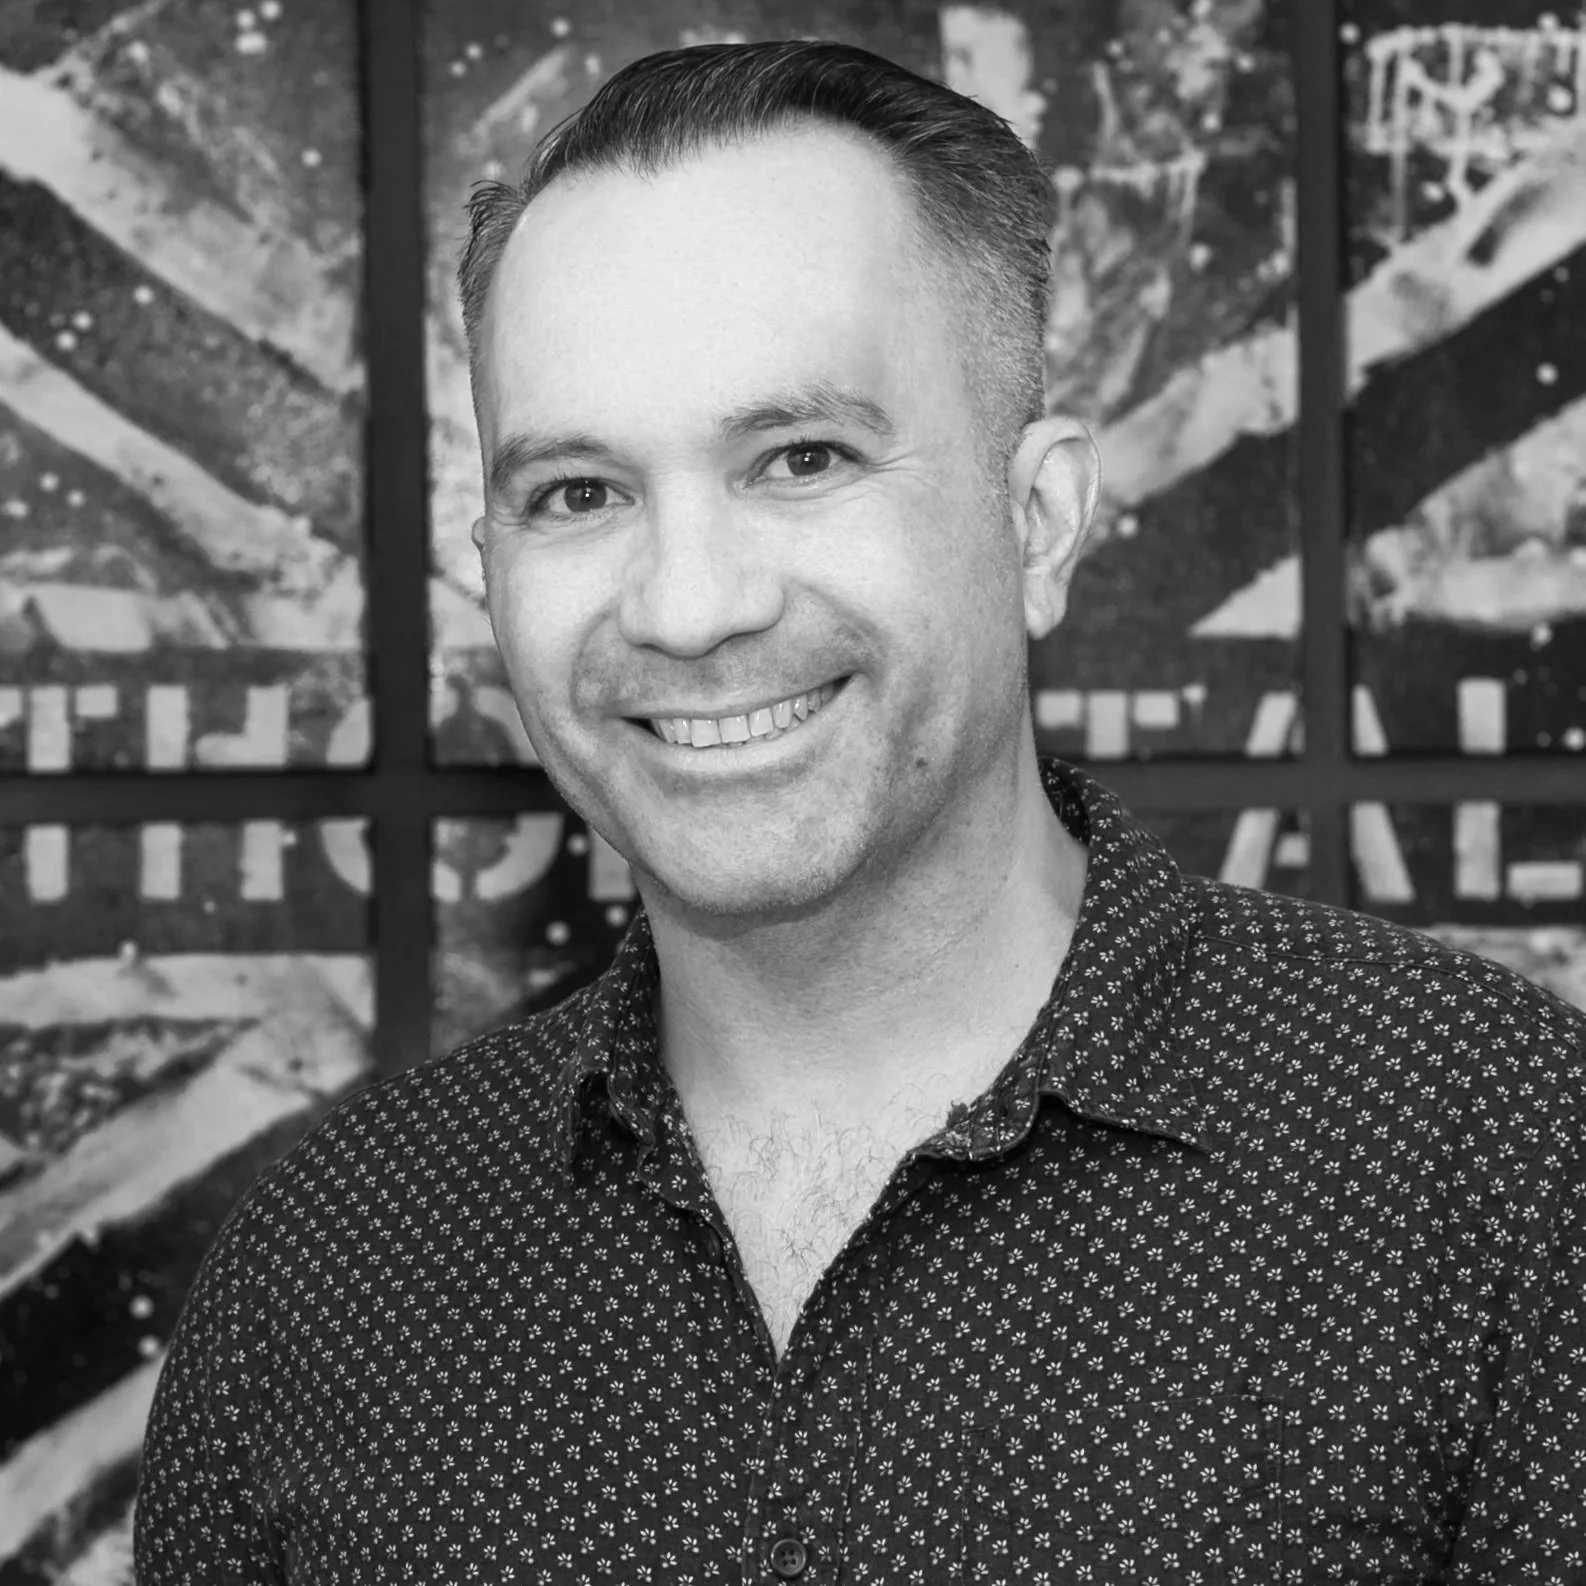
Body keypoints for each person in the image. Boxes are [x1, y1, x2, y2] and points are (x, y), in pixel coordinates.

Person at [135, 39, 1585, 1584]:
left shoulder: (1494, 1169)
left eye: (801, 457)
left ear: (1037, 519)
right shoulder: (321, 1268)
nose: (686, 605)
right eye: (576, 492)